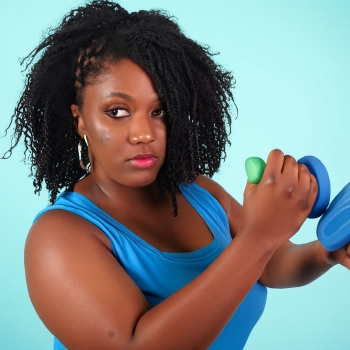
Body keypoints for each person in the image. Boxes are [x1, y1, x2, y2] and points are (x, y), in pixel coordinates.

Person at [2, 1, 349, 349]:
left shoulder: (200, 192)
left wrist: (327, 252)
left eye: (160, 110)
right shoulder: (56, 238)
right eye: (118, 111)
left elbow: (270, 264)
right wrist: (258, 237)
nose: (144, 134)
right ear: (80, 119)